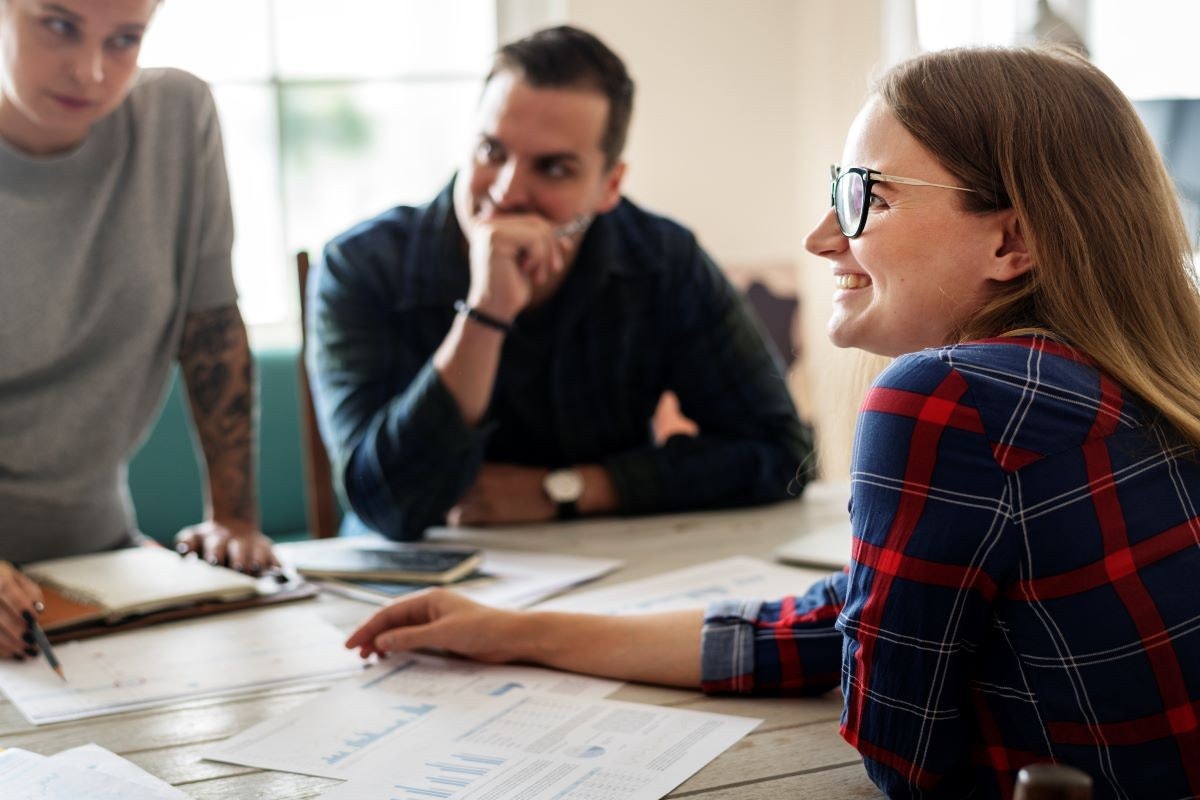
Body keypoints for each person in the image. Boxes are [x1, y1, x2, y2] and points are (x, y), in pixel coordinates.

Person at [344, 46, 1200, 798]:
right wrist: (518, 632)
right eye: (837, 189)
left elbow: (901, 757)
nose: (822, 236)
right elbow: (848, 618)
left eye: (866, 196)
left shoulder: (946, 397)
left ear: (1011, 243)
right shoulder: (1133, 377)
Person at [307, 25, 815, 541]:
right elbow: (385, 505)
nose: (507, 192)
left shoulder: (661, 260)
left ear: (609, 186)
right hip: (409, 583)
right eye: (491, 150)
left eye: (552, 168)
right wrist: (486, 312)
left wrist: (567, 489)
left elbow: (781, 454)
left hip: (605, 570)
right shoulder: (361, 264)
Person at [0, 0, 276, 661]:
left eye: (124, 40)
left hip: (101, 561)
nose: (91, 72)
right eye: (59, 26)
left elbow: (210, 327)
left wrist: (235, 519)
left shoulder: (178, 117)